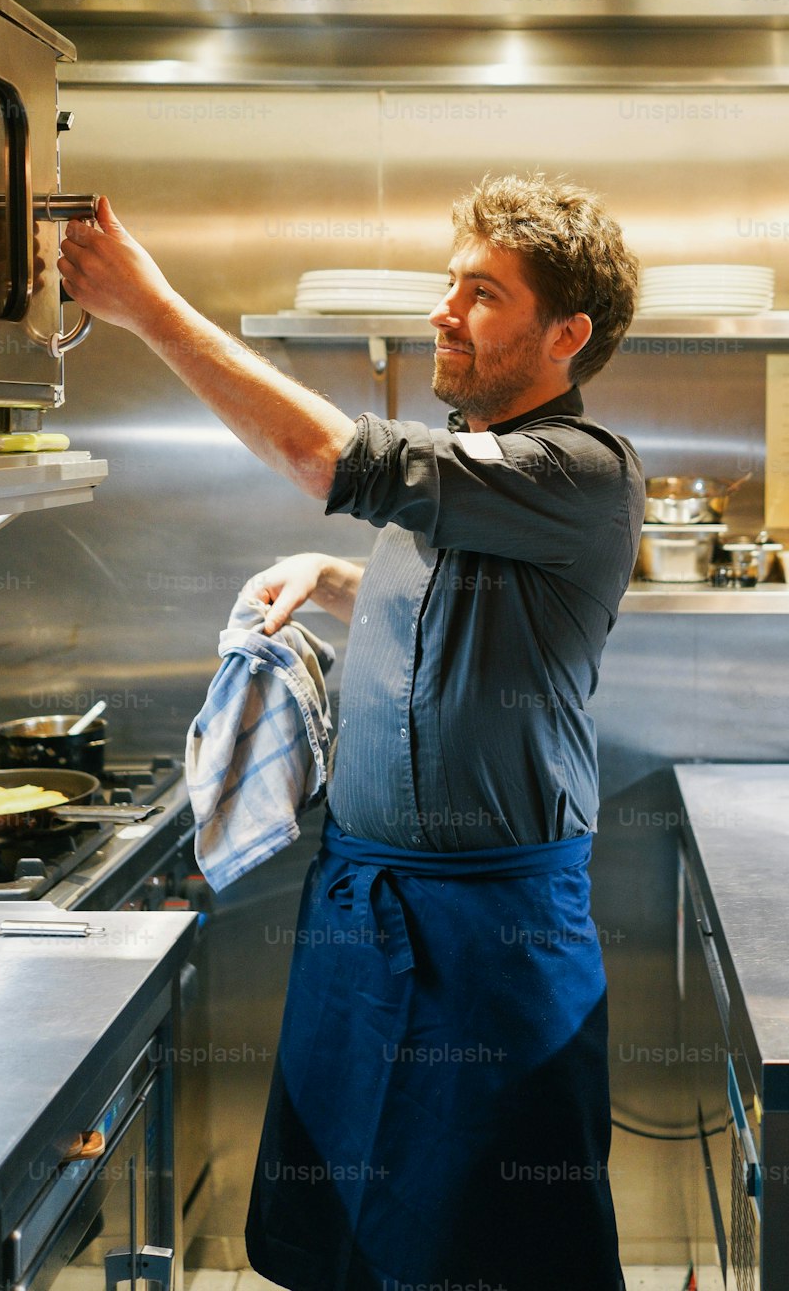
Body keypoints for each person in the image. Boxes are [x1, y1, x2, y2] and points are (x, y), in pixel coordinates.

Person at [60, 172, 644, 1291]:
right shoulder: (472, 458)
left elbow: (334, 464)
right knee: (352, 1246)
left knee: (498, 1248)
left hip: (492, 941)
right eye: (449, 281)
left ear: (566, 334)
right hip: (363, 921)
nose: (443, 309)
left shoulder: (581, 468)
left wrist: (149, 306)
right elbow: (451, 597)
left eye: (482, 292)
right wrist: (342, 579)